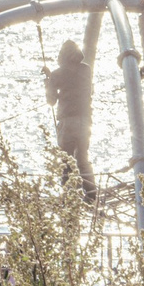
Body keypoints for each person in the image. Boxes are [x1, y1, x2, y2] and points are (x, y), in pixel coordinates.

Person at [44, 38, 97, 201]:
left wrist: (48, 81)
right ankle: (91, 193)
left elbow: (51, 101)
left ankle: (67, 196)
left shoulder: (58, 73)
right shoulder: (86, 70)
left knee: (66, 160)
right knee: (82, 158)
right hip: (85, 120)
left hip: (67, 121)